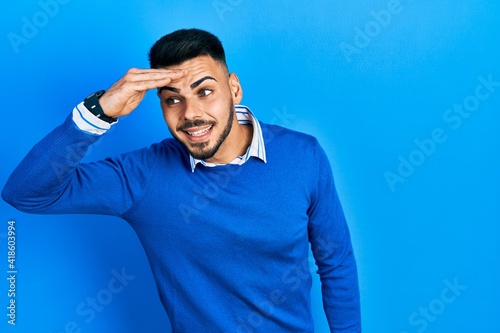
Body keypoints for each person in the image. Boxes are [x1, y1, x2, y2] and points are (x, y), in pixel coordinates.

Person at [2, 28, 361, 332]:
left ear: (234, 89)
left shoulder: (303, 156)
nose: (191, 114)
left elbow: (336, 261)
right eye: (173, 100)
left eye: (205, 92)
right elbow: (25, 193)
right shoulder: (143, 176)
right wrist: (99, 112)